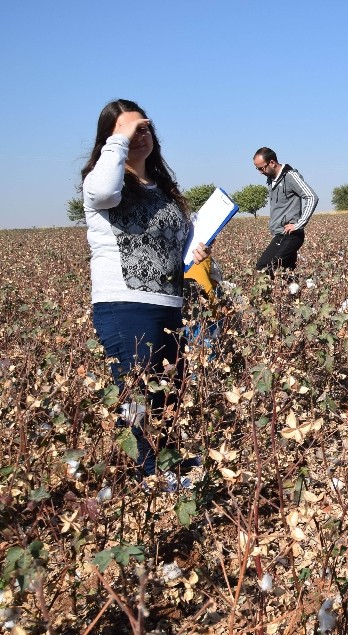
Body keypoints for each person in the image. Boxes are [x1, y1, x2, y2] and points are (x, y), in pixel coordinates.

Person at [81, 99, 209, 484]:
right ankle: (149, 476)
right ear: (109, 139)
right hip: (125, 304)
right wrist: (119, 140)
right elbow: (104, 190)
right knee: (138, 396)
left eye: (144, 128)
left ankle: (166, 461)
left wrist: (196, 249)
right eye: (128, 130)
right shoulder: (102, 182)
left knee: (169, 391)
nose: (139, 136)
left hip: (169, 302)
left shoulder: (163, 189)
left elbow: (175, 243)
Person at [252, 147, 317, 275]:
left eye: (261, 168)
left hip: (290, 235)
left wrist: (299, 224)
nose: (260, 172)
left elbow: (311, 197)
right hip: (280, 234)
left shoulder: (290, 176)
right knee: (286, 275)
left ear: (272, 163)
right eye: (257, 169)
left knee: (264, 267)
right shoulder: (271, 179)